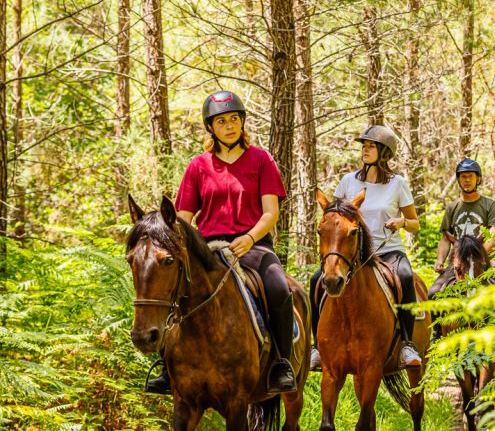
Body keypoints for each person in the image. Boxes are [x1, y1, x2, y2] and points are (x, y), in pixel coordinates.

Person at [146, 90, 297, 394]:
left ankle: (282, 362)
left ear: (242, 122)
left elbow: (271, 212)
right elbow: (184, 218)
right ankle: (167, 366)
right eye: (221, 121)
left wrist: (250, 237)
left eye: (234, 119)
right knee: (173, 289)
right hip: (209, 249)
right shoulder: (198, 166)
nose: (229, 125)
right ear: (211, 128)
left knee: (279, 287)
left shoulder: (261, 159)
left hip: (253, 246)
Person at [309, 125, 422, 370]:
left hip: (388, 249)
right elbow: (334, 212)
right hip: (354, 254)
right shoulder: (348, 181)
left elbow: (416, 224)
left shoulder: (397, 184)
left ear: (384, 152)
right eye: (364, 145)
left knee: (404, 276)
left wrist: (401, 222)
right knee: (316, 279)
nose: (365, 149)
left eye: (371, 146)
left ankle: (407, 344)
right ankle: (316, 347)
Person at [428, 158, 495, 321]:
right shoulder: (452, 207)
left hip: (485, 262)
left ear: (478, 179)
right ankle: (436, 335)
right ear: (458, 180)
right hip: (457, 264)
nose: (467, 180)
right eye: (463, 177)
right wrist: (440, 260)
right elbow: (445, 238)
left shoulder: (490, 205)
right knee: (433, 293)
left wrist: (479, 255)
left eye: (471, 176)